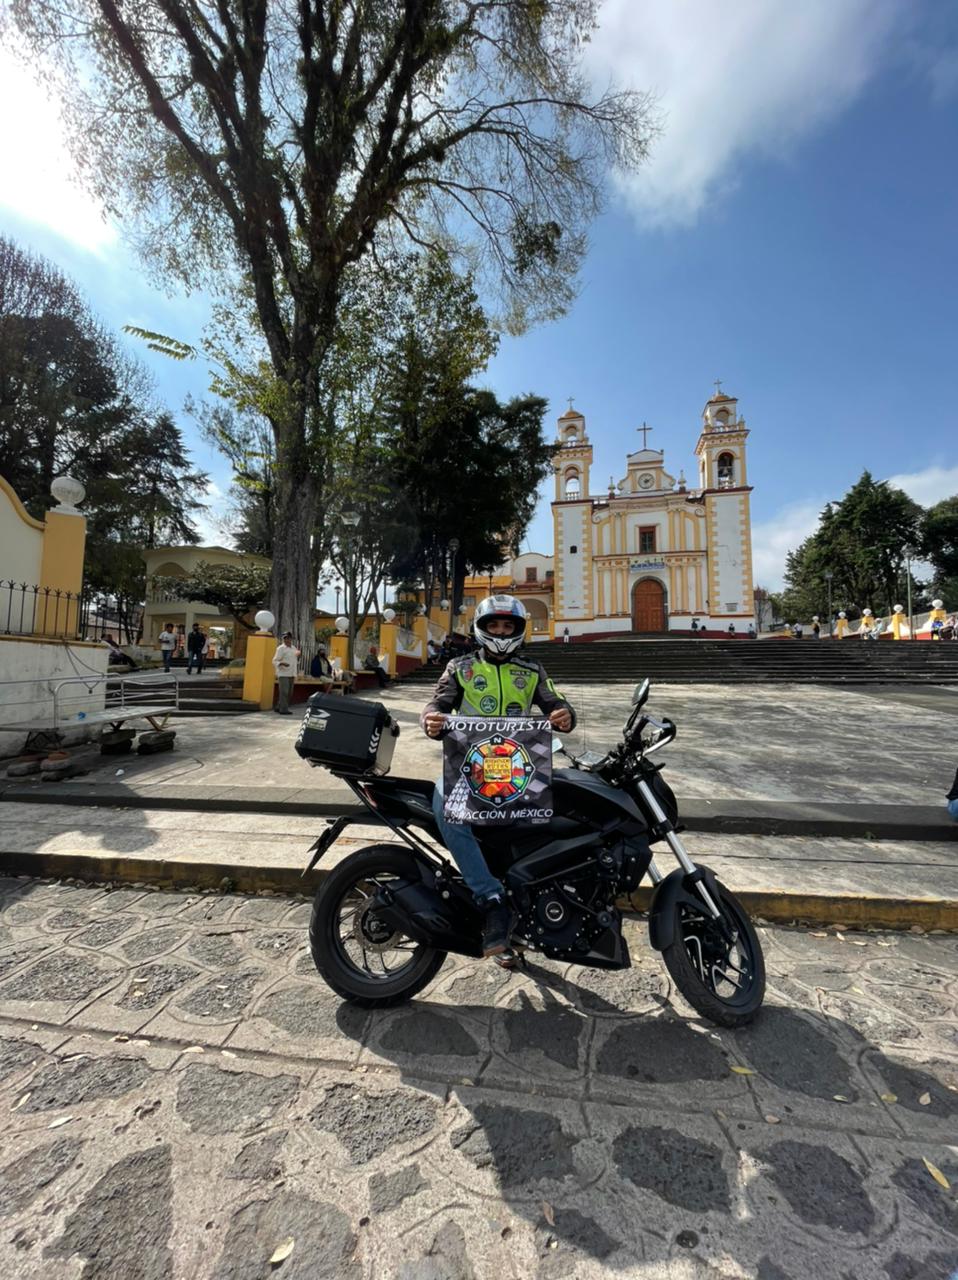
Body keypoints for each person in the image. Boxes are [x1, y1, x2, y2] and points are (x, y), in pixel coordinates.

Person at [421, 594, 576, 958]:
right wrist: (430, 720)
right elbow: (438, 704)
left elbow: (555, 701)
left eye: (508, 626)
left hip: (520, 769)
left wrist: (564, 715)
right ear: (481, 629)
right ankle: (490, 898)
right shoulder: (460, 668)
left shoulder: (532, 671)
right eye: (494, 625)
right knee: (447, 807)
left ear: (519, 630)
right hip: (471, 768)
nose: (501, 631)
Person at [272, 631, 299, 714]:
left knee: (290, 693)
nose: (286, 640)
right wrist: (281, 663)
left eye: (288, 638)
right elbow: (274, 660)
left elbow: (294, 660)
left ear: (291, 639)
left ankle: (279, 706)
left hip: (292, 673)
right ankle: (283, 710)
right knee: (284, 692)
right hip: (283, 673)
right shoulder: (280, 648)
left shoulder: (294, 648)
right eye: (285, 638)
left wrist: (298, 655)